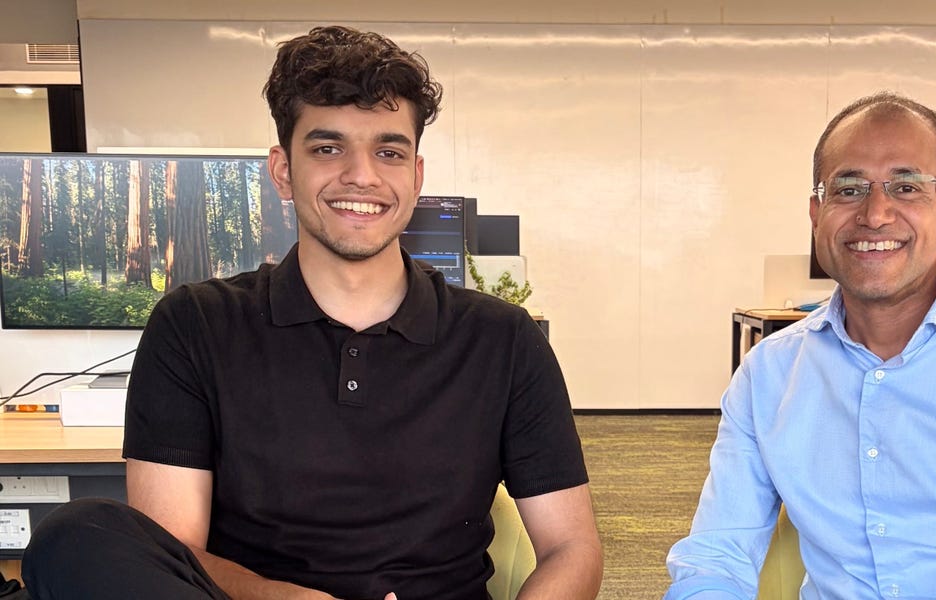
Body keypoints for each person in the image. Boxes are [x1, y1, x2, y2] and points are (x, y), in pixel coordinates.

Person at [22, 25, 602, 600]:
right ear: (282, 171)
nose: (362, 176)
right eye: (328, 148)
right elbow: (174, 557)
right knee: (74, 535)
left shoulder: (503, 339)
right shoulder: (195, 324)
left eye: (389, 152)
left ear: (416, 176)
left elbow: (570, 548)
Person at [665, 92, 936, 599]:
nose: (875, 214)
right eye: (849, 189)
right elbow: (716, 556)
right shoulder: (770, 372)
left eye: (906, 187)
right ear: (817, 214)